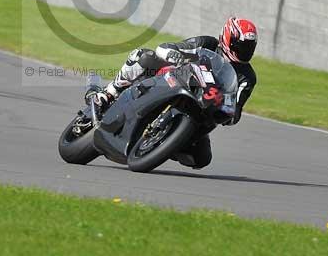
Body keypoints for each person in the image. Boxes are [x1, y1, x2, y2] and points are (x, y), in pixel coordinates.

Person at [86, 17, 258, 168]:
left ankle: (164, 145)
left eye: (249, 47)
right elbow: (174, 47)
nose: (244, 51)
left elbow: (236, 108)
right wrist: (174, 53)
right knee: (144, 57)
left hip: (205, 109)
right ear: (227, 38)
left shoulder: (247, 77)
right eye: (241, 45)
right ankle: (109, 93)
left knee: (202, 158)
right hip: (176, 80)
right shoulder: (208, 43)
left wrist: (229, 114)